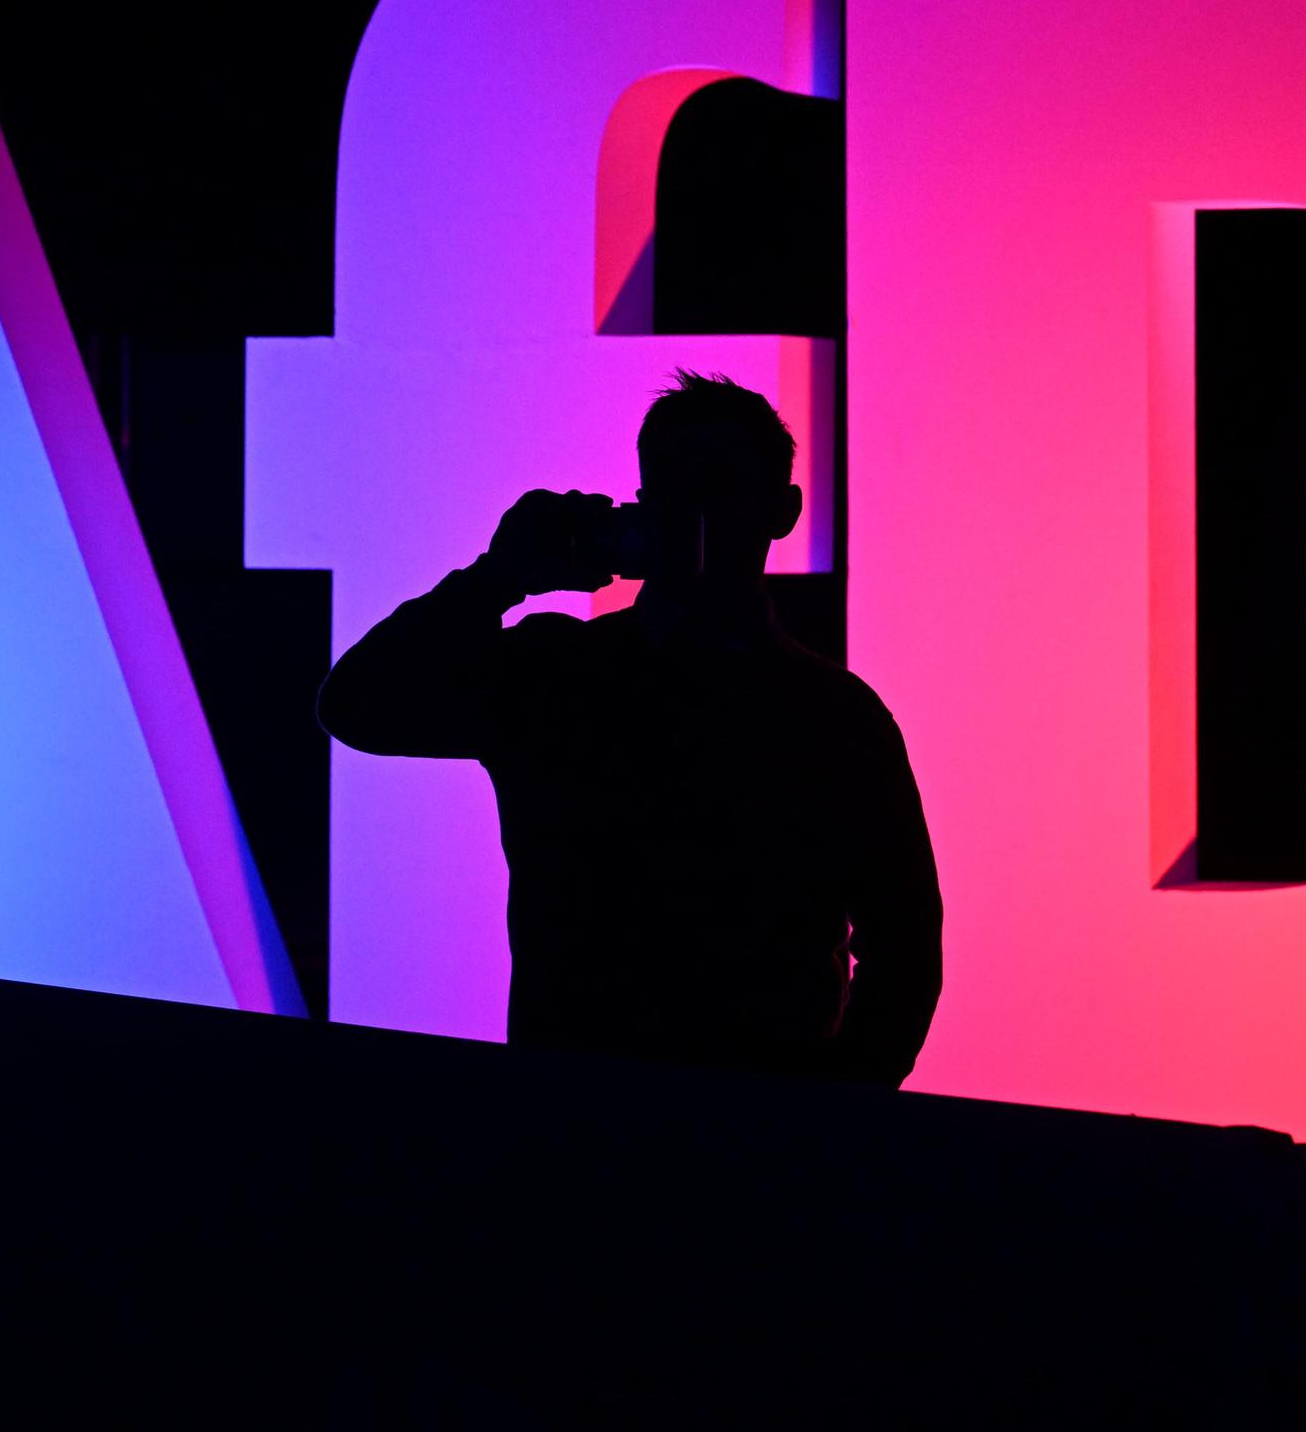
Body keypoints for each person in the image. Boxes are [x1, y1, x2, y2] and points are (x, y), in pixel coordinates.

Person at [315, 370, 942, 1086]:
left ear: (782, 509)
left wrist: (824, 1121)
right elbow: (358, 703)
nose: (700, 511)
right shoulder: (556, 673)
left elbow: (907, 950)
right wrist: (498, 575)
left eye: (723, 485)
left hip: (733, 1138)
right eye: (680, 486)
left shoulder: (834, 718)